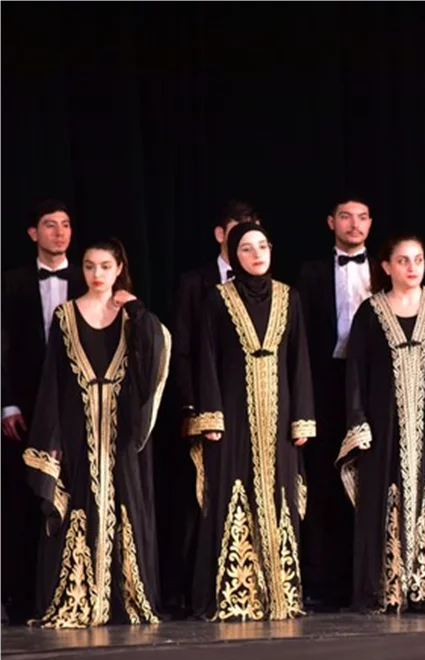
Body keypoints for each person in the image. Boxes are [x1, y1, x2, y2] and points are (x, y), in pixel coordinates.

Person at [23, 238, 170, 627]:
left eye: (105, 266)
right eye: (89, 266)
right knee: (80, 500)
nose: (97, 274)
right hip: (77, 425)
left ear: (119, 267)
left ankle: (124, 597)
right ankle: (81, 597)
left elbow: (154, 359)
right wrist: (51, 441)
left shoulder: (133, 317)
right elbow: (52, 382)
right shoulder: (65, 315)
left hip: (121, 429)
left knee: (125, 499)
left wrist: (136, 310)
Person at [338, 234, 425, 612]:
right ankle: (390, 588)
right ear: (386, 266)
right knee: (386, 494)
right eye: (403, 260)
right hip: (385, 425)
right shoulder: (370, 313)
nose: (412, 267)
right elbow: (357, 374)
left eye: (418, 259)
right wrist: (358, 420)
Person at [191, 222, 315, 621]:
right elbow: (205, 356)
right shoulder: (217, 298)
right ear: (233, 255)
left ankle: (281, 593)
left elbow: (299, 360)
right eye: (246, 248)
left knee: (279, 492)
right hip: (232, 412)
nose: (257, 254)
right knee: (233, 490)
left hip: (278, 413)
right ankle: (236, 595)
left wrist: (302, 420)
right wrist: (211, 415)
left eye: (263, 245)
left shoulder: (288, 297)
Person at [169, 199, 259, 613]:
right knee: (200, 498)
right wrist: (194, 405)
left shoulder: (271, 287)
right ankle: (193, 588)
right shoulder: (196, 282)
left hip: (255, 403)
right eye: (239, 232)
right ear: (222, 235)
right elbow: (187, 349)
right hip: (208, 405)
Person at [0, 200, 85, 622]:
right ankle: (19, 595)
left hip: (78, 406)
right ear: (34, 233)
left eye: (66, 225)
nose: (59, 232)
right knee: (24, 499)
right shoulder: (12, 283)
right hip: (27, 407)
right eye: (50, 226)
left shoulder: (89, 277)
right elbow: (2, 350)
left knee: (73, 497)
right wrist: (7, 403)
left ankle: (70, 589)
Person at [296, 194, 375, 609]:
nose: (354, 225)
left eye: (362, 218)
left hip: (373, 384)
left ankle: (368, 577)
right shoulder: (309, 273)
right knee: (325, 479)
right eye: (346, 217)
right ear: (331, 223)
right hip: (325, 381)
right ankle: (322, 582)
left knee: (369, 478)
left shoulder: (384, 270)